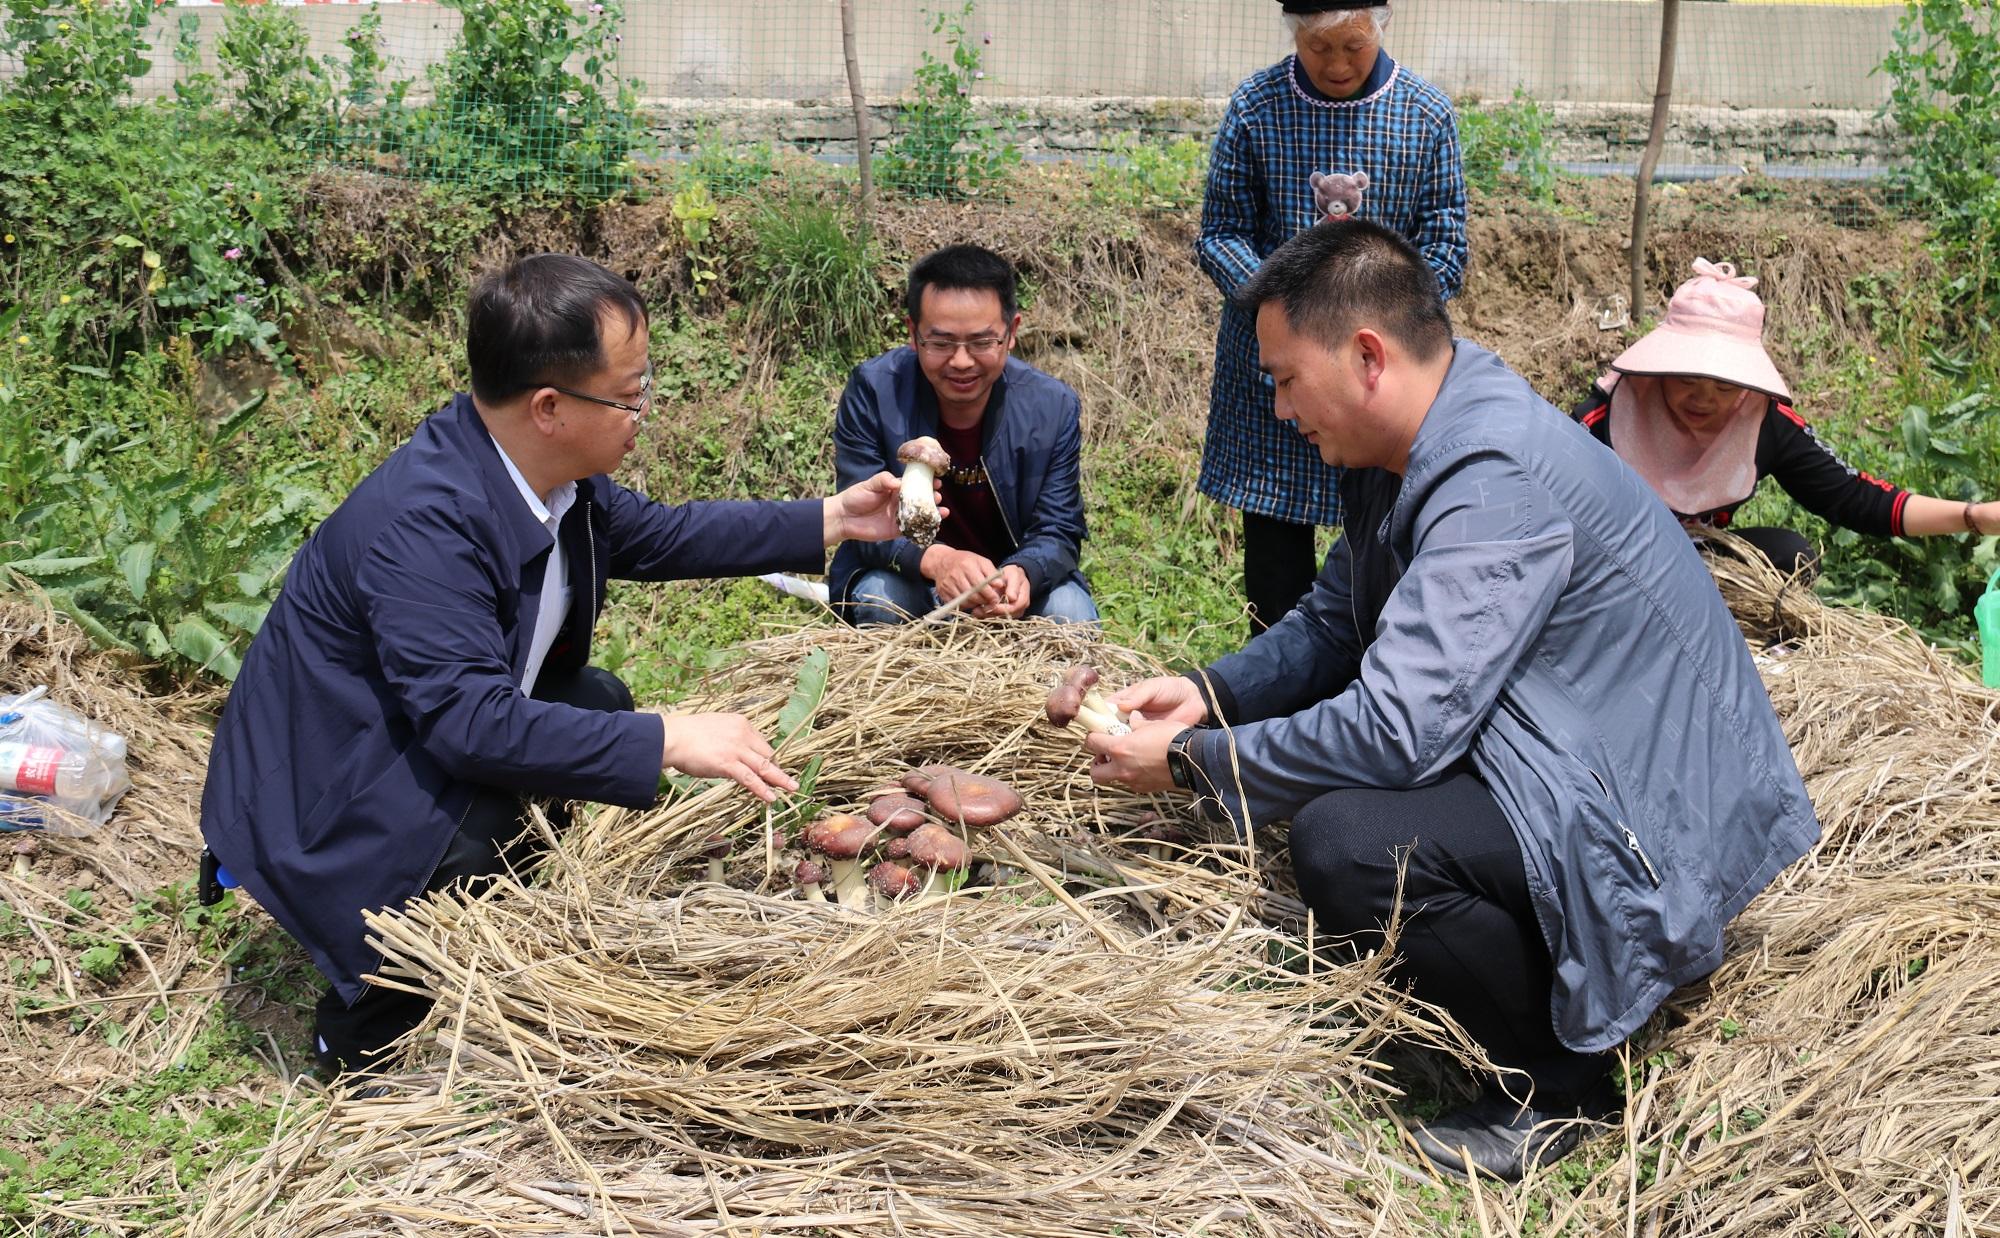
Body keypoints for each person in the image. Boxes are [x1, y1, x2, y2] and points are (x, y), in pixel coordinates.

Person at [1083, 220, 1820, 1181]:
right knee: (1348, 806)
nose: (1276, 406)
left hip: (1653, 814)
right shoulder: (1418, 439)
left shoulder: (1489, 475)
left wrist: (1192, 764)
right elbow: (1334, 625)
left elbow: (1395, 731)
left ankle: (1558, 1089)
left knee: (1349, 844)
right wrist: (1207, 694)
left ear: (1367, 356)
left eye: (1284, 378)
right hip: (1577, 748)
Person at [199, 254, 911, 1078]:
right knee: (480, 828)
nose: (643, 412)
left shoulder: (542, 472)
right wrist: (667, 740)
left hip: (410, 729)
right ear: (549, 406)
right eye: (630, 393)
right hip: (328, 787)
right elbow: (470, 727)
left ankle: (491, 926)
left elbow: (665, 536)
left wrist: (833, 518)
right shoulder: (425, 525)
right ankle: (364, 1027)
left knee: (596, 701)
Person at [1197, 0, 1468, 635]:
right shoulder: (1257, 107)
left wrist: (1378, 317)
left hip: (1378, 370)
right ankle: (1272, 687)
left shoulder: (1425, 116)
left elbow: (1447, 247)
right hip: (1275, 375)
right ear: (1293, 35)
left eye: (1354, 46)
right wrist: (1281, 301)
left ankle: (1377, 685)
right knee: (1275, 556)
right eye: (1319, 48)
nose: (1338, 64)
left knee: (1384, 538)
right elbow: (1221, 233)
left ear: (1382, 26)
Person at [1576, 258, 2000, 574]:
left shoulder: (1765, 423)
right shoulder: (1605, 418)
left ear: (1747, 385)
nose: (1703, 399)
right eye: (1687, 379)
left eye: (1725, 386)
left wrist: (1974, 516)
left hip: (1698, 568)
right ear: (1662, 367)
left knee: (1790, 555)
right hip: (1612, 566)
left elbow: (1855, 499)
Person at [830, 244, 1096, 625]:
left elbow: (1059, 527)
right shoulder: (873, 392)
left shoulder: (1052, 407)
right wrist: (938, 561)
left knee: (1070, 612)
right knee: (879, 596)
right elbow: (857, 519)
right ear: (912, 333)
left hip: (1007, 587)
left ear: (1012, 332)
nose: (961, 361)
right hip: (914, 578)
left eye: (981, 342)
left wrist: (1024, 573)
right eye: (940, 343)